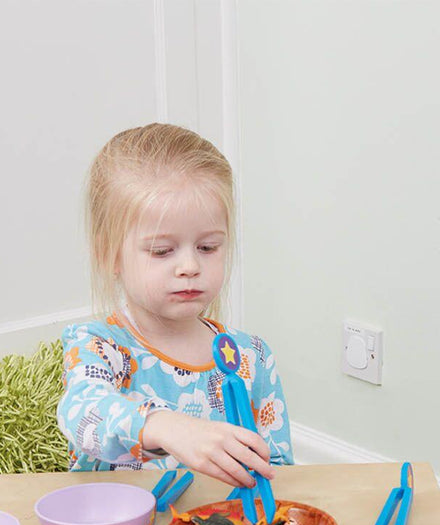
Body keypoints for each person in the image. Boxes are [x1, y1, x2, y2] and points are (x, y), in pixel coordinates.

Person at [57, 123, 292, 488]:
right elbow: (82, 414)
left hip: (220, 523)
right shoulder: (98, 346)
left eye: (208, 247)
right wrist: (165, 427)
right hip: (118, 524)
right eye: (162, 251)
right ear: (109, 254)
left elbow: (279, 471)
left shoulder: (251, 357)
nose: (190, 266)